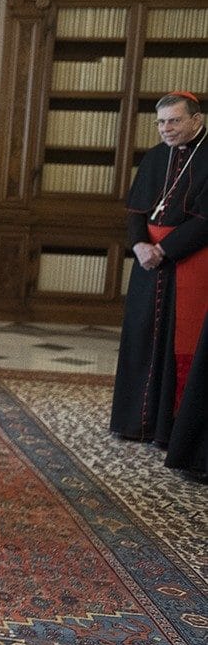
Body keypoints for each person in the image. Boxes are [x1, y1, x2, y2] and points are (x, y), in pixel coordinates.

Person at [111, 91, 208, 480]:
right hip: (147, 262)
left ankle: (168, 428)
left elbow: (205, 221)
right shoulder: (154, 157)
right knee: (142, 334)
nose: (165, 129)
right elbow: (136, 210)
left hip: (188, 261)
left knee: (176, 341)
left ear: (197, 120)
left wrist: (164, 250)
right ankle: (136, 422)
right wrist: (139, 245)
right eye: (161, 122)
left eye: (174, 121)